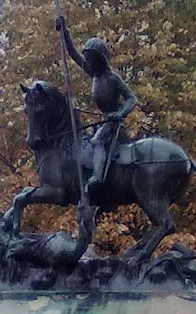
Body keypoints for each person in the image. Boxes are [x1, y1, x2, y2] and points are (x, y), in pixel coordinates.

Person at [56, 16, 137, 203]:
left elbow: (132, 98)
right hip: (103, 121)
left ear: (100, 59)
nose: (89, 62)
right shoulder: (93, 74)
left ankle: (97, 177)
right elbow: (73, 54)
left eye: (92, 59)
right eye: (89, 59)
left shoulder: (113, 79)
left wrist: (120, 113)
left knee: (97, 141)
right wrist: (64, 32)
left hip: (113, 124)